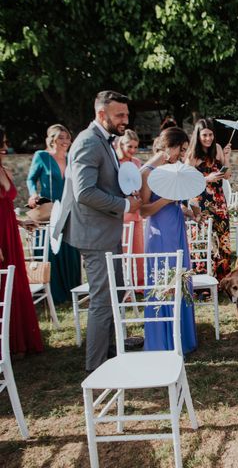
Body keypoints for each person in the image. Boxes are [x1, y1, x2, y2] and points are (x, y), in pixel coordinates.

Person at [53, 91, 142, 372]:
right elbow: (85, 192)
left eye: (126, 114)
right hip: (94, 234)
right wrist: (125, 203)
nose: (125, 120)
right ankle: (97, 367)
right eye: (120, 115)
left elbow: (103, 183)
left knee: (114, 294)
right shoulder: (88, 142)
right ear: (101, 114)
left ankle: (113, 349)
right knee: (103, 301)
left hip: (106, 230)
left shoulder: (106, 141)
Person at [140, 127, 197, 354]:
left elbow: (178, 204)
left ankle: (181, 337)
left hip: (177, 230)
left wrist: (189, 210)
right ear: (169, 146)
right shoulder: (146, 172)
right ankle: (162, 339)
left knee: (180, 279)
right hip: (158, 234)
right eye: (181, 150)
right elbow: (144, 210)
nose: (182, 156)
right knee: (163, 281)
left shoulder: (174, 171)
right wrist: (166, 200)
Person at [0, 128, 44, 356]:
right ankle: (4, 344)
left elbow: (5, 208)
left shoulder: (5, 170)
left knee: (15, 283)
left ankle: (19, 341)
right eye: (2, 144)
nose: (5, 148)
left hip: (10, 233)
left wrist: (20, 221)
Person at [26, 124, 81, 304]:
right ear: (52, 139)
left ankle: (73, 289)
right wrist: (33, 193)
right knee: (52, 249)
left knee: (70, 247)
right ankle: (53, 292)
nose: (65, 141)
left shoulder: (72, 158)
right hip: (49, 209)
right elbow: (31, 179)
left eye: (67, 137)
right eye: (61, 138)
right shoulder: (42, 156)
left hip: (70, 208)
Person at [186, 118, 232, 280]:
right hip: (201, 202)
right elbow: (186, 180)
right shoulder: (191, 155)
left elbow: (226, 175)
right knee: (203, 238)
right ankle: (203, 280)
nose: (208, 138)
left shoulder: (218, 148)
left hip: (219, 201)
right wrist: (206, 179)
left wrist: (226, 158)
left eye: (210, 135)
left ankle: (222, 279)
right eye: (204, 135)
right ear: (197, 136)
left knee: (221, 237)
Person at [116, 129, 145, 285]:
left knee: (138, 248)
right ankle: (124, 282)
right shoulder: (115, 162)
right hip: (122, 210)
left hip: (136, 210)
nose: (133, 150)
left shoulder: (136, 162)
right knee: (124, 248)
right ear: (121, 144)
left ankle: (139, 282)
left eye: (135, 147)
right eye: (130, 147)